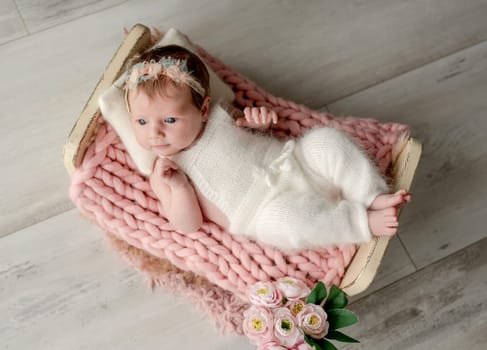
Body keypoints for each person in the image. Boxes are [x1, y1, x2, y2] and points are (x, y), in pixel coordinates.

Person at [122, 44, 411, 250]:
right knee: (288, 222)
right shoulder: (165, 172)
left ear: (203, 109)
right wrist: (181, 188)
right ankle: (360, 222)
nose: (155, 132)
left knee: (326, 140)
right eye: (142, 122)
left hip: (295, 162)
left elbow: (252, 135)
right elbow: (187, 224)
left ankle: (371, 195)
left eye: (170, 119)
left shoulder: (220, 117)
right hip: (265, 209)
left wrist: (259, 124)